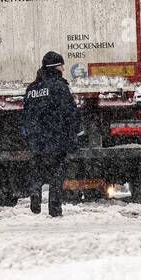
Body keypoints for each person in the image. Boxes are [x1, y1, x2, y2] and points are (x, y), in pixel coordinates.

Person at [20, 51, 81, 216]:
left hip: (36, 138)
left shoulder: (32, 88)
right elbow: (70, 111)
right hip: (56, 136)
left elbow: (26, 113)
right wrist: (76, 131)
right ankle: (54, 208)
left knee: (38, 168)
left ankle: (35, 191)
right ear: (56, 67)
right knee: (57, 173)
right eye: (61, 65)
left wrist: (28, 134)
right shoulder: (59, 86)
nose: (63, 68)